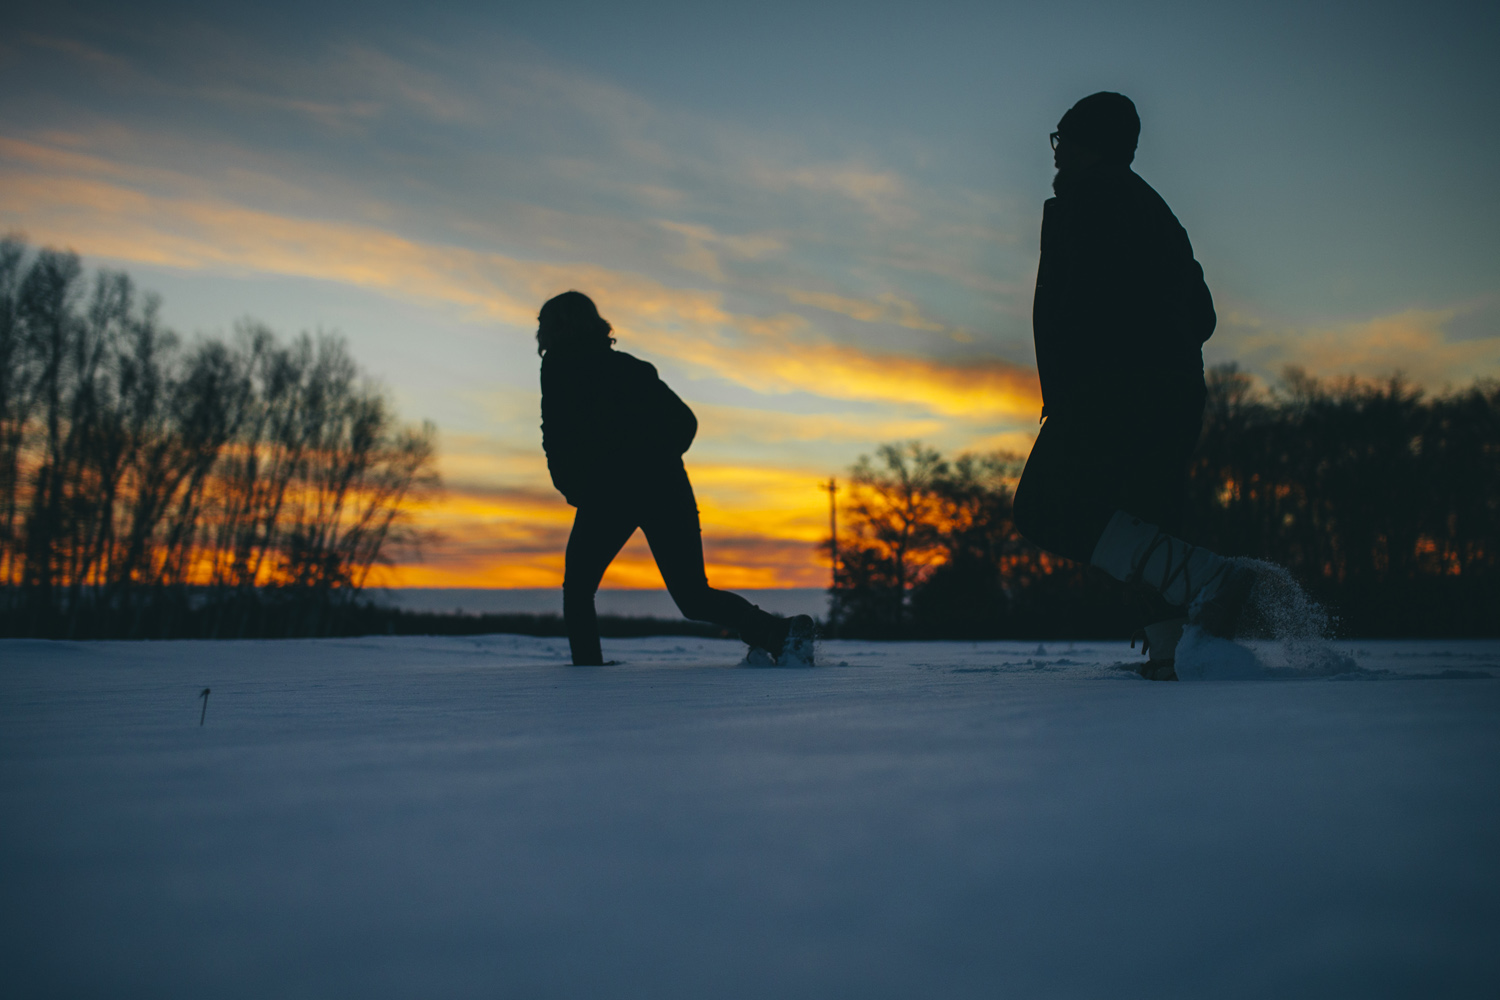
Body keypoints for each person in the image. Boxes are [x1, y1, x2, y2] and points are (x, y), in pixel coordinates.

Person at [1012, 92, 1254, 679]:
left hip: (1114, 390)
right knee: (1143, 519)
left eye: (1061, 138)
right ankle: (1176, 653)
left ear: (1084, 141)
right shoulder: (1151, 207)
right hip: (1168, 391)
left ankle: (1209, 579)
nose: (1056, 151)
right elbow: (1202, 315)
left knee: (1048, 510)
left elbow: (1083, 306)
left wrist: (1085, 385)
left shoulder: (1093, 199)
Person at [537, 290, 815, 666]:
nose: (538, 334)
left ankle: (587, 675)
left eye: (542, 325)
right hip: (653, 489)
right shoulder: (627, 368)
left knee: (581, 590)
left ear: (558, 327)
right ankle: (779, 635)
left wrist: (601, 478)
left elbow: (557, 438)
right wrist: (649, 464)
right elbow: (683, 423)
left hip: (620, 494)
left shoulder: (563, 370)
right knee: (692, 597)